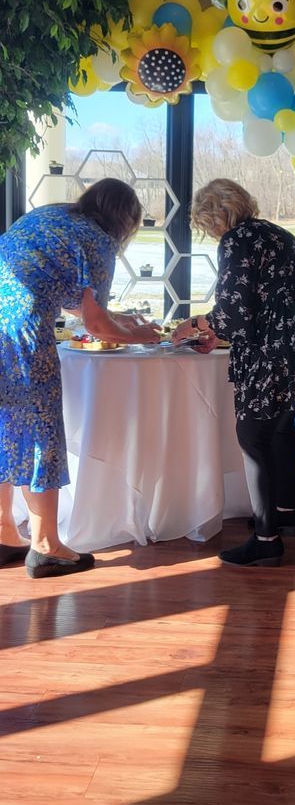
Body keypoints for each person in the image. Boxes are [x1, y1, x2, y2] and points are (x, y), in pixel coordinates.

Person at [173, 178, 295, 567]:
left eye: (206, 224)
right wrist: (216, 331)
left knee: (252, 434)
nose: (209, 231)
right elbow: (261, 300)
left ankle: (265, 538)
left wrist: (198, 324)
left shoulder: (236, 240)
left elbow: (235, 313)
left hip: (281, 347)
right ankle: (287, 514)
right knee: (282, 427)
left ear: (217, 215)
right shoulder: (276, 233)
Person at [0, 178, 160, 579]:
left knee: (4, 427)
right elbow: (95, 323)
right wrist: (137, 335)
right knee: (39, 430)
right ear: (125, 220)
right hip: (22, 331)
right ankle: (46, 545)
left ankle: (4, 531)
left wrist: (117, 320)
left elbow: (67, 296)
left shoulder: (52, 215)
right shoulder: (99, 241)